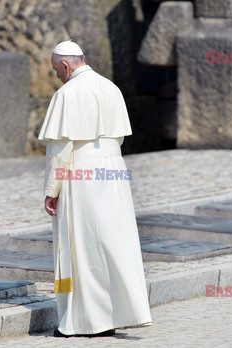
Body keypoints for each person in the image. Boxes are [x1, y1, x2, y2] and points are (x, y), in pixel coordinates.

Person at [39, 40, 152, 337]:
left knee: (79, 247)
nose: (57, 76)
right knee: (115, 244)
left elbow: (60, 150)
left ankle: (85, 321)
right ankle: (116, 315)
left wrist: (52, 190)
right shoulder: (111, 88)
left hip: (81, 174)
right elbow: (119, 138)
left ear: (65, 65)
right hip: (113, 172)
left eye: (55, 70)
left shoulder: (67, 94)